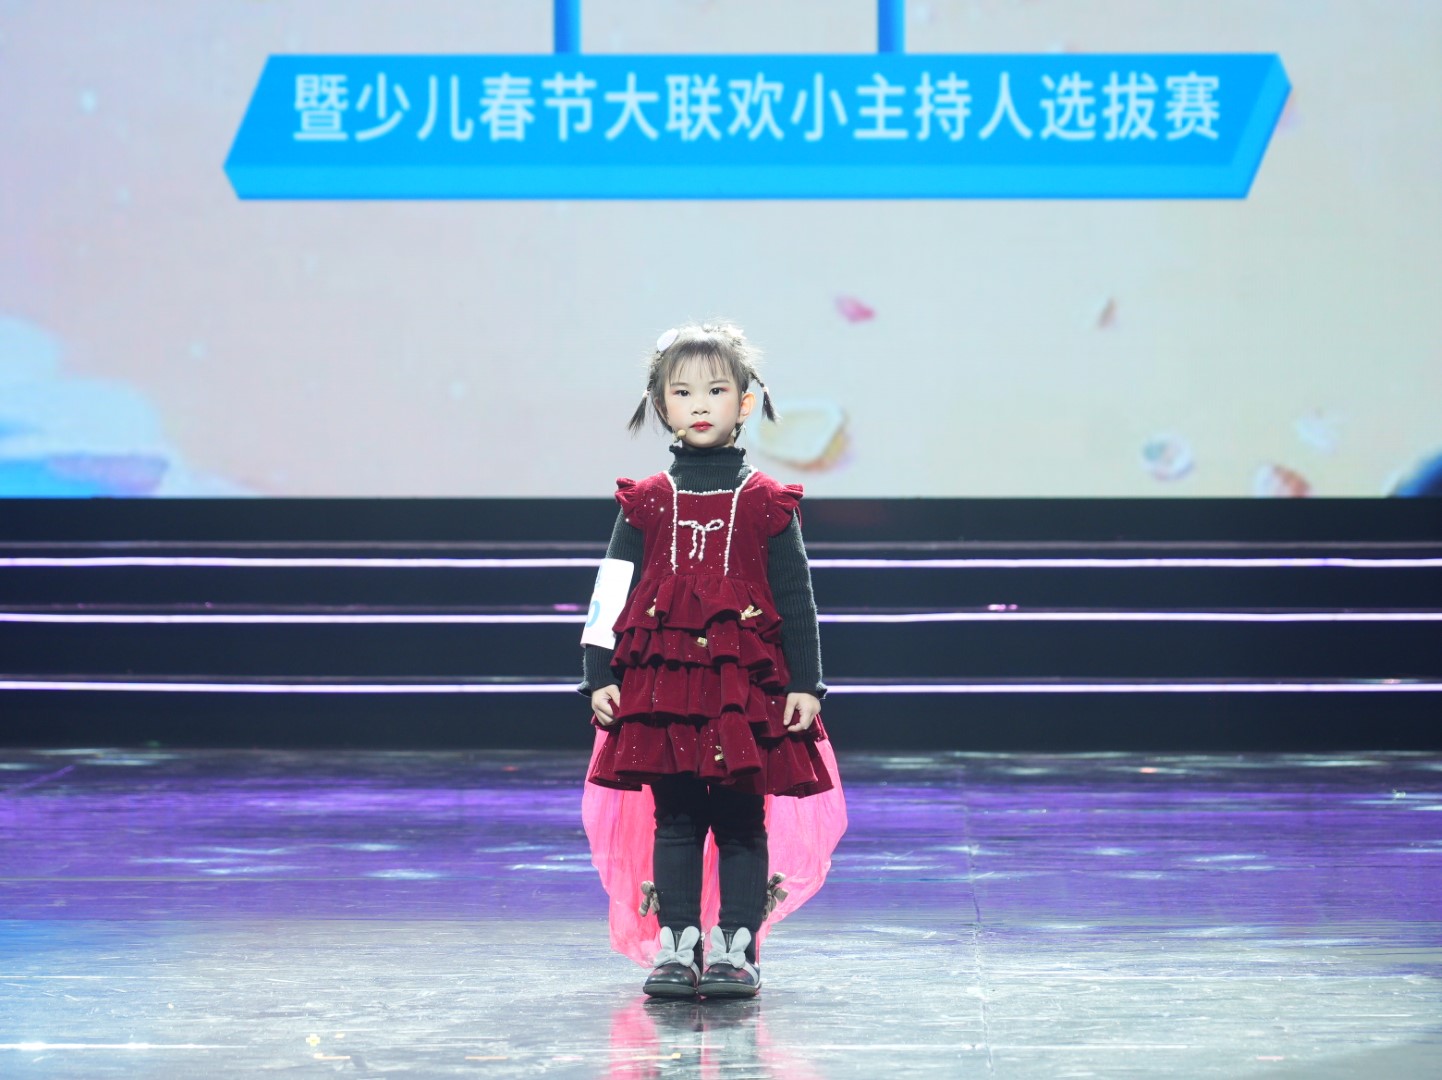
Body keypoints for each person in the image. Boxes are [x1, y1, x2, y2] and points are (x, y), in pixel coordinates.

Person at [578, 321, 846, 999]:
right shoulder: (646, 501)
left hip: (742, 691)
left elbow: (796, 597)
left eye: (717, 390)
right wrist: (598, 671)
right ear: (661, 405)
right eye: (684, 392)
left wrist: (806, 682)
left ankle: (737, 947)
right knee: (674, 818)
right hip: (662, 688)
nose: (701, 404)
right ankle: (677, 945)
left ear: (746, 402)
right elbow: (613, 586)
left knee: (739, 819)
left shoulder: (766, 502)